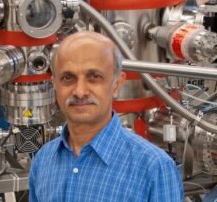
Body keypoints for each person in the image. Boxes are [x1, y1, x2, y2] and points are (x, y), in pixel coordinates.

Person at [29, 31, 183, 202]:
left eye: (94, 77)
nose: (80, 92)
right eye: (68, 78)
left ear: (116, 84)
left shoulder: (153, 167)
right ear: (55, 85)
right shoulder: (43, 160)